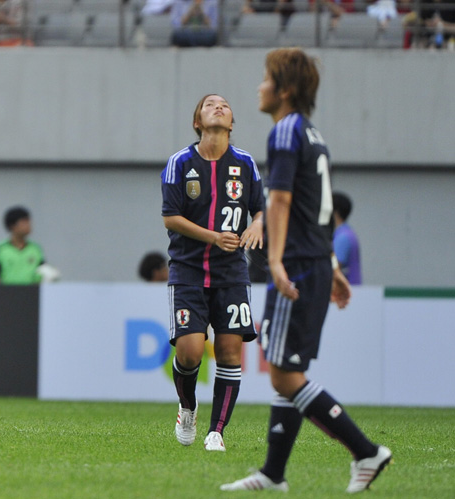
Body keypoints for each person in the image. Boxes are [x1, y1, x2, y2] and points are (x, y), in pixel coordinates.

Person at [221, 48, 391, 493]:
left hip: (295, 266)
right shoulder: (314, 135)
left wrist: (273, 261)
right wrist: (333, 265)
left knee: (283, 374)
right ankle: (273, 474)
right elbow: (323, 209)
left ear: (285, 90)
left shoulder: (283, 133)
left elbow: (279, 201)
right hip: (315, 263)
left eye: (265, 78)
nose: (258, 86)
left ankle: (366, 451)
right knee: (285, 367)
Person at [161, 94, 265, 452]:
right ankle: (187, 407)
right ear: (197, 122)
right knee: (190, 352)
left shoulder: (246, 164)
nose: (218, 106)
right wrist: (212, 237)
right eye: (209, 105)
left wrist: (257, 226)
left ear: (232, 123)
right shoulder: (179, 163)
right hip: (188, 271)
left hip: (231, 272)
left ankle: (216, 431)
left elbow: (260, 209)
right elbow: (170, 217)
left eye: (224, 104)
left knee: (230, 351)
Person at [0, 206, 47, 285]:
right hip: (7, 294)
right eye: (24, 222)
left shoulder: (36, 249)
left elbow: (44, 273)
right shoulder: (0, 249)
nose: (28, 225)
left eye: (29, 221)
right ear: (12, 225)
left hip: (31, 294)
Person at [332, 192, 361, 284]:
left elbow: (334, 269)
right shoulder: (348, 233)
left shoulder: (342, 237)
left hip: (346, 292)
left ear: (335, 212)